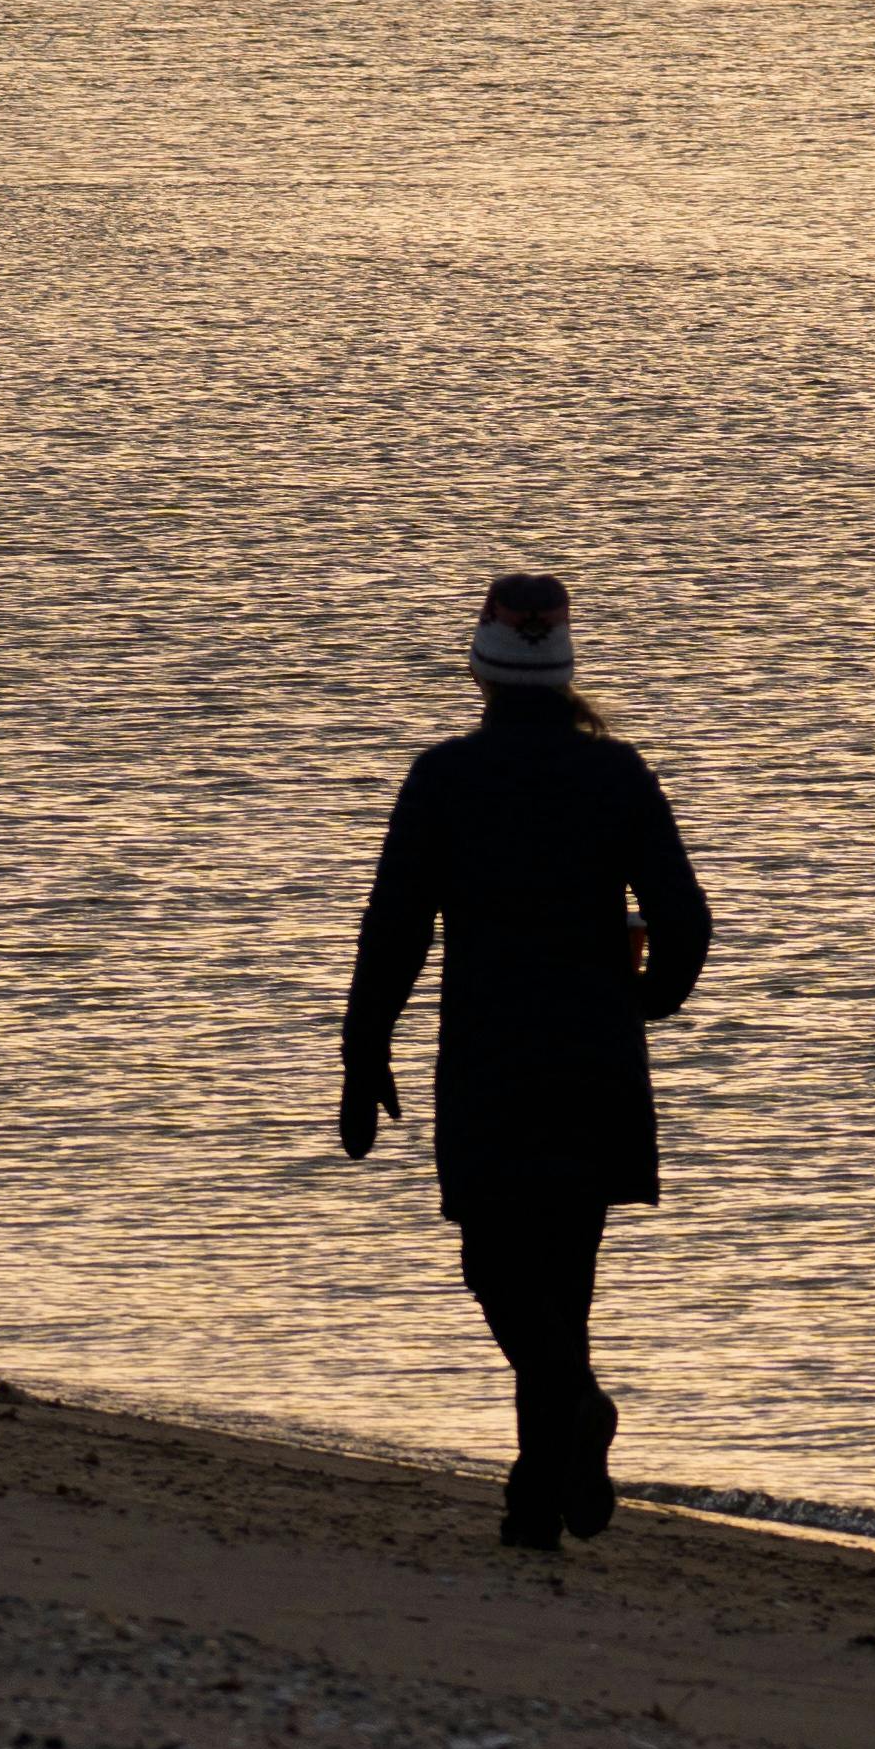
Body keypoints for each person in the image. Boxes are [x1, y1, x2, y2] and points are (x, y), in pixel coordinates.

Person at [339, 572, 716, 1551]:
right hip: (595, 1056)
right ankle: (535, 1498)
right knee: (566, 1274)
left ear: (482, 670)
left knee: (497, 1266)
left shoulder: (446, 778)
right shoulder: (618, 775)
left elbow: (395, 930)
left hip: (492, 1058)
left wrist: (362, 1048)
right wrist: (646, 1004)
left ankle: (569, 1423)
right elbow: (686, 921)